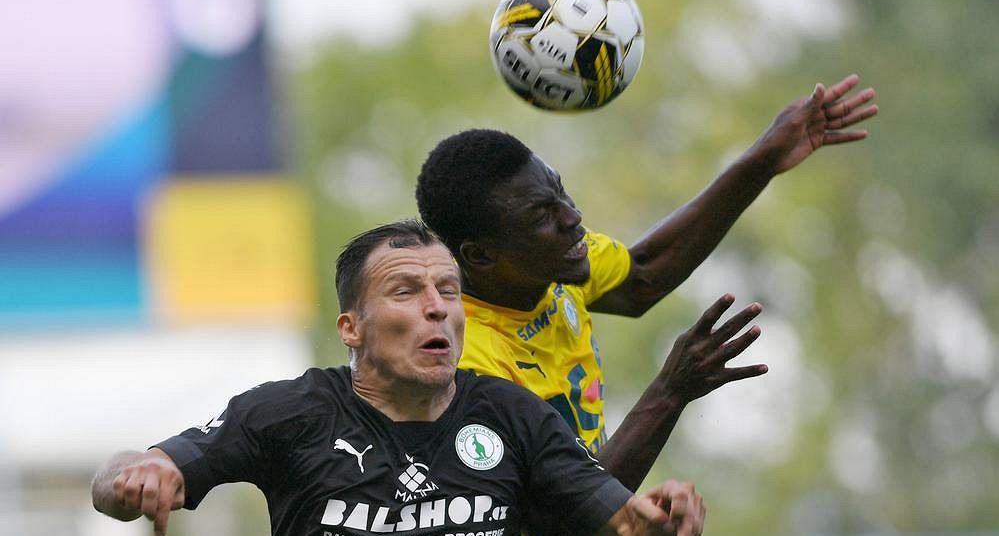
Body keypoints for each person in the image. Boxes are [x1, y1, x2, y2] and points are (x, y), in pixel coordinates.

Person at [91, 220, 706, 536]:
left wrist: (660, 516)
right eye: (406, 291)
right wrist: (134, 475)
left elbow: (619, 520)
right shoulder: (290, 411)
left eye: (448, 291)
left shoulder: (512, 414)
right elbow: (121, 478)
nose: (436, 308)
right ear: (351, 328)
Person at [415, 74, 879, 490]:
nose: (573, 218)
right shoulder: (465, 367)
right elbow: (556, 518)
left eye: (560, 192)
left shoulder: (557, 265)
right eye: (542, 215)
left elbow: (643, 276)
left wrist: (764, 160)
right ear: (481, 255)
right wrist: (670, 392)